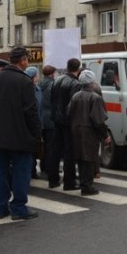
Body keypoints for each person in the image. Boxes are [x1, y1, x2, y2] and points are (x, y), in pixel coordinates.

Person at [0, 47, 41, 220]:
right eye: (27, 60)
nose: (27, 63)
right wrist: (37, 134)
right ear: (22, 60)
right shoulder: (25, 81)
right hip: (21, 136)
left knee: (0, 172)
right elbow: (31, 111)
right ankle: (19, 207)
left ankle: (0, 208)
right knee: (20, 173)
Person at [67, 69, 107, 196]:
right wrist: (105, 135)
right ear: (92, 82)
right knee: (89, 158)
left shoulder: (75, 96)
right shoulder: (95, 98)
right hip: (89, 132)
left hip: (76, 130)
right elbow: (98, 120)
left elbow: (69, 113)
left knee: (80, 158)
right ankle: (87, 186)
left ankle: (84, 183)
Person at [48, 58, 81, 190]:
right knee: (69, 152)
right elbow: (73, 105)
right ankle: (69, 182)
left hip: (56, 119)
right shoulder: (75, 83)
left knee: (55, 150)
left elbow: (52, 100)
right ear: (78, 69)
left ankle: (53, 179)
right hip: (67, 121)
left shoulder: (57, 80)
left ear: (67, 67)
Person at [38, 65, 57, 175]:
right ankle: (49, 167)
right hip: (50, 118)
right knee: (50, 145)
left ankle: (43, 165)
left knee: (42, 143)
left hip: (41, 117)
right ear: (52, 74)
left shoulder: (38, 84)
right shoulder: (53, 85)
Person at [26, 66, 43, 178]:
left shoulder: (38, 89)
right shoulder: (27, 89)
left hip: (37, 123)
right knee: (30, 149)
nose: (38, 77)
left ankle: (32, 169)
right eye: (36, 75)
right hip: (29, 124)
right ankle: (30, 170)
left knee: (35, 148)